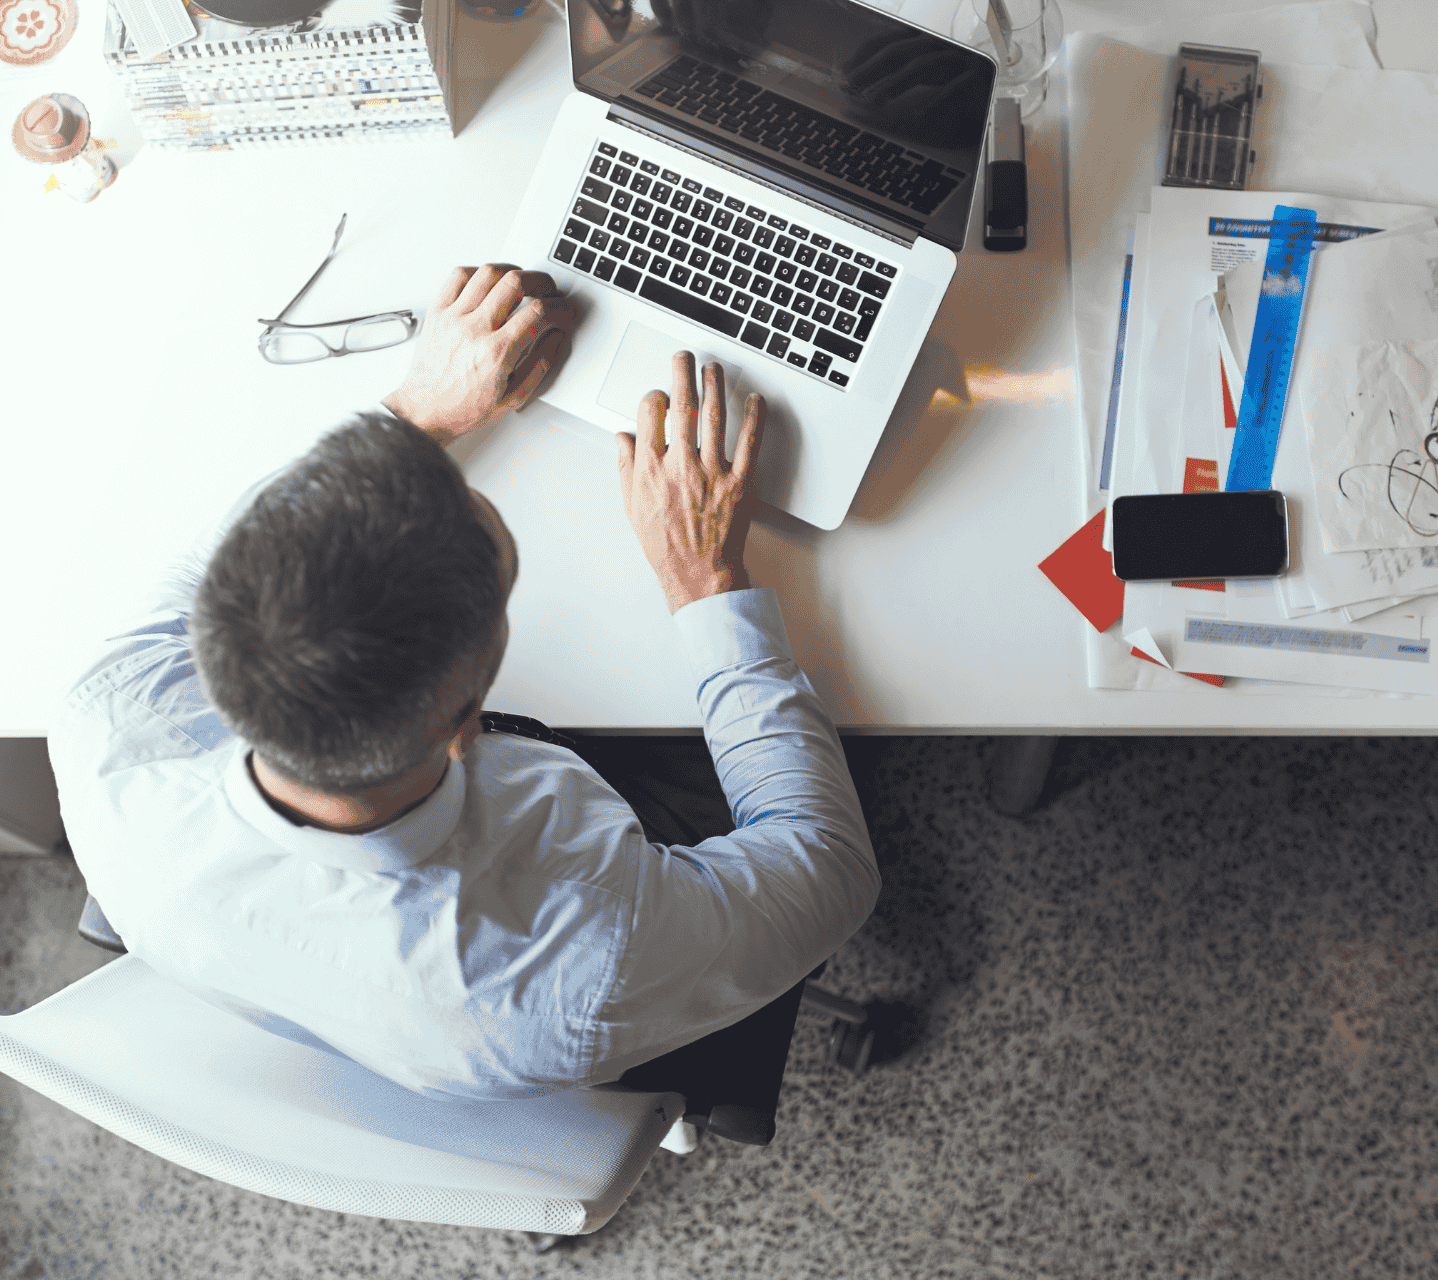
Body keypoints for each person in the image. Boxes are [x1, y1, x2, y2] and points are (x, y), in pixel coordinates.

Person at [47, 264, 880, 1106]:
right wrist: (706, 582)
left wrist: (414, 415)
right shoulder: (585, 959)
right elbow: (831, 872)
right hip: (500, 1008)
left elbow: (240, 552)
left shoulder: (105, 728)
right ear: (469, 721)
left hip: (295, 989)